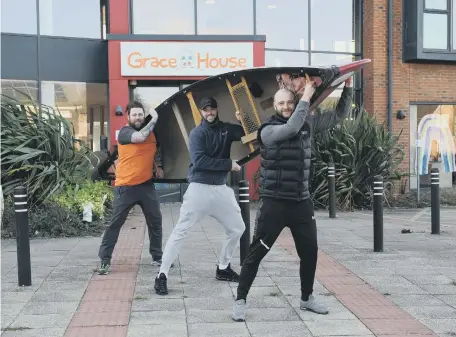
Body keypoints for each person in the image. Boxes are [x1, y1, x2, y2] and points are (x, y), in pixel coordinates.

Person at [232, 76, 353, 321]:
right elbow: (291, 128)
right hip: (274, 204)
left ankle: (307, 298)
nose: (286, 107)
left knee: (309, 252)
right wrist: (306, 95)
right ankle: (240, 300)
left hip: (301, 202)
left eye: (290, 102)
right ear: (274, 107)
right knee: (256, 253)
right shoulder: (267, 131)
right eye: (281, 104)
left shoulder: (306, 122)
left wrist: (347, 88)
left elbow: (338, 116)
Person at [154, 96, 246, 295]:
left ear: (216, 109)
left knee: (237, 228)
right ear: (201, 112)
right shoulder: (197, 133)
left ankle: (223, 268)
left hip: (221, 189)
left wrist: (241, 119)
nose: (209, 112)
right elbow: (200, 161)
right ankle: (162, 275)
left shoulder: (225, 129)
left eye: (212, 109)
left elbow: (242, 133)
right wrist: (228, 164)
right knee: (181, 230)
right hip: (199, 189)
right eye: (205, 110)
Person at [97, 100, 165, 275]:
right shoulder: (125, 133)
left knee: (155, 222)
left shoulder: (152, 133)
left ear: (143, 115)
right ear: (128, 116)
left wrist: (159, 165)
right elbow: (141, 137)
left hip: (146, 185)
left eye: (140, 114)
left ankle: (157, 257)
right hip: (126, 186)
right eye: (134, 114)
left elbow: (155, 149)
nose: (137, 117)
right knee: (115, 224)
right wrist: (155, 118)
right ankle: (104, 260)